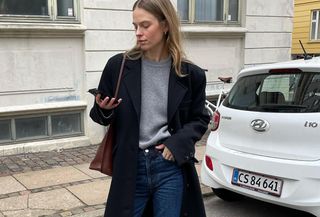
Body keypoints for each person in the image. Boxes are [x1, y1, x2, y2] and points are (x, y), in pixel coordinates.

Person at [89, 0, 210, 216]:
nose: (138, 33)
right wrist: (104, 110)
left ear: (165, 26)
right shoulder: (118, 66)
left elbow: (200, 119)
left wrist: (176, 143)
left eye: (145, 25)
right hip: (130, 165)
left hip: (169, 167)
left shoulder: (190, 74)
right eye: (135, 26)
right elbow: (100, 116)